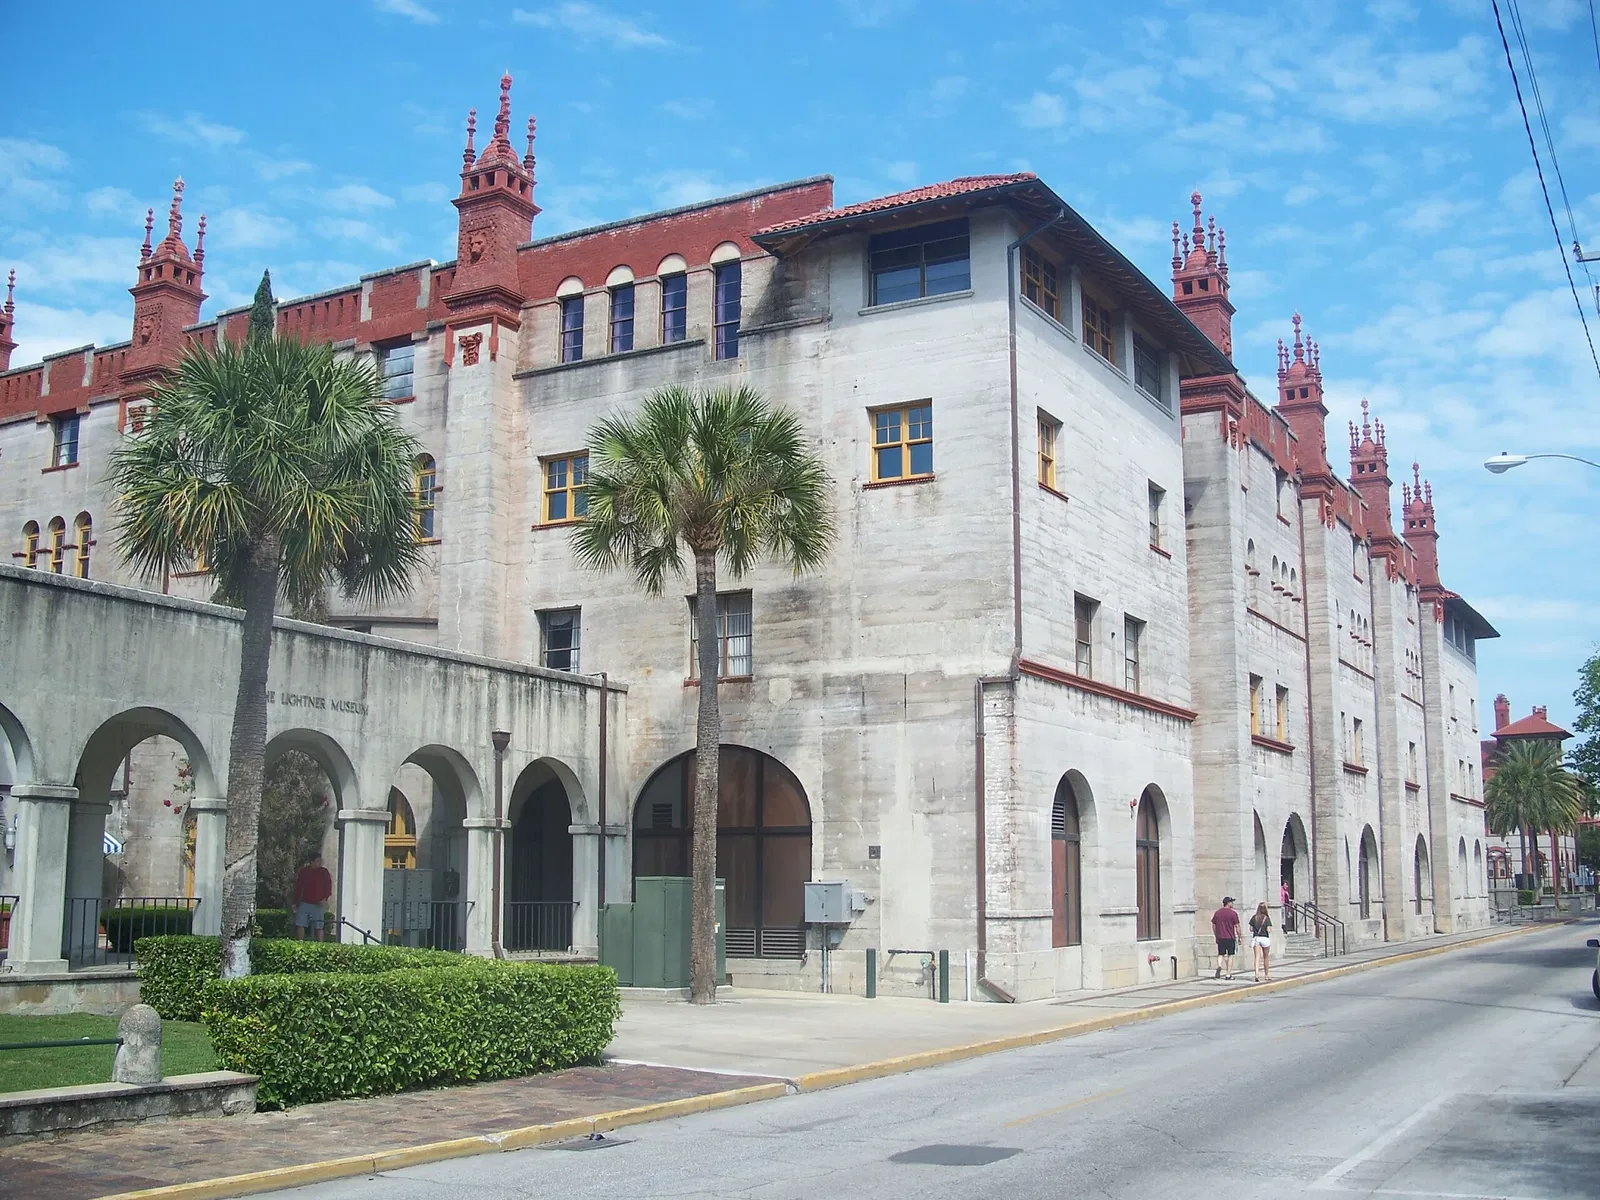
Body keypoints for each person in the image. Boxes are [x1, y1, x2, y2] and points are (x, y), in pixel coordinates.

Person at [292, 852, 333, 941]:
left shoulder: (324, 872)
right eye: (317, 861)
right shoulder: (304, 872)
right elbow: (298, 887)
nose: (320, 863)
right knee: (300, 923)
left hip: (318, 903)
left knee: (319, 926)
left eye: (320, 861)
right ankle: (300, 943)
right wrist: (294, 902)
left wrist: (325, 898)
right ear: (312, 862)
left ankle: (320, 945)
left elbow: (328, 887)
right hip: (305, 902)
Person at [1210, 896, 1241, 980]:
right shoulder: (1233, 913)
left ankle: (1219, 965)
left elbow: (1213, 925)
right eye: (1231, 902)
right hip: (1230, 937)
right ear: (1228, 903)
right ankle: (1228, 974)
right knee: (1230, 955)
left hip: (1220, 937)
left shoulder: (1217, 913)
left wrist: (1216, 935)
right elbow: (1237, 926)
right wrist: (1239, 937)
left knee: (1221, 954)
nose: (1233, 903)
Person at [1249, 901, 1273, 982]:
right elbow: (1269, 930)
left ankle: (1256, 975)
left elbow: (1251, 929)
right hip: (1265, 938)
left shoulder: (1254, 917)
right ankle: (1266, 975)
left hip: (1256, 938)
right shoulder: (1266, 918)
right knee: (1266, 957)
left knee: (1257, 957)